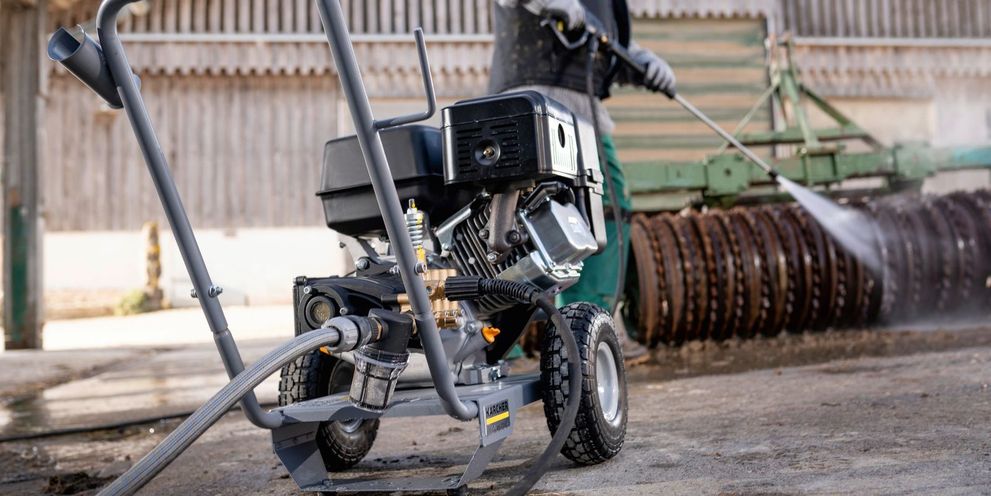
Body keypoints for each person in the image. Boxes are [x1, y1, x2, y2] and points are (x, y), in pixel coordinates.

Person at [490, 0, 676, 360]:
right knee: (508, 220)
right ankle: (496, 344)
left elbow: (602, 44)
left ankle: (588, 332)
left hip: (585, 111)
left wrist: (642, 63)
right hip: (526, 102)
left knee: (608, 209)